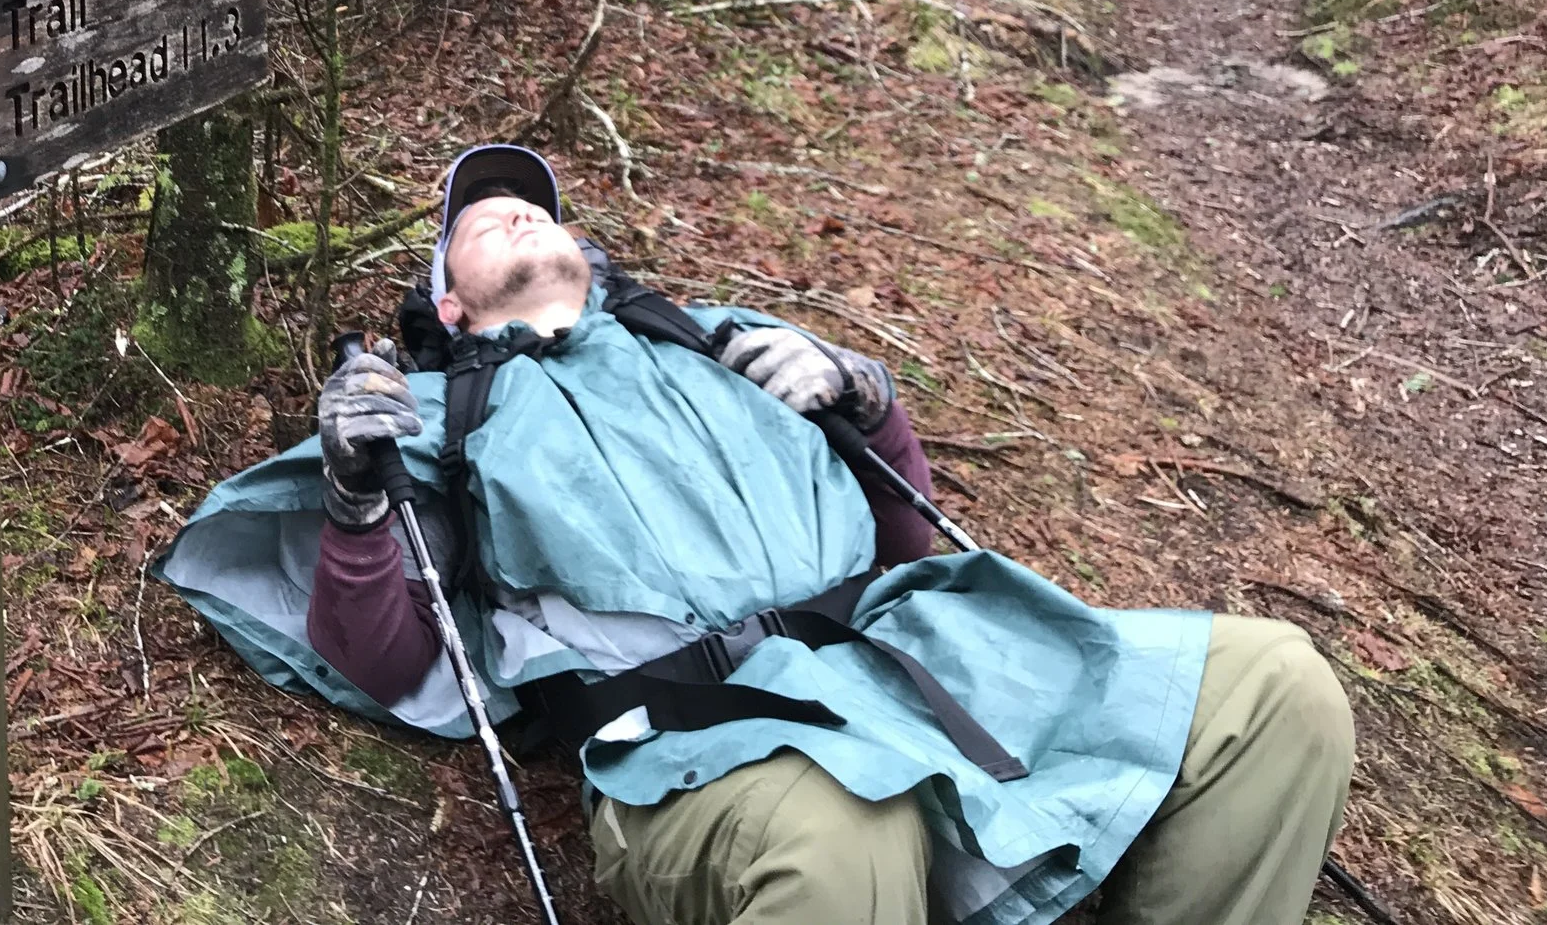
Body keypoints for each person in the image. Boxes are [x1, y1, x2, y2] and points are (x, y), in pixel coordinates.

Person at [279, 145, 1355, 925]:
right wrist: (352, 494)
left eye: (534, 207)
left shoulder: (719, 343)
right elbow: (389, 655)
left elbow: (904, 540)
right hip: (699, 741)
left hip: (911, 664)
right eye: (481, 222)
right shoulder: (427, 415)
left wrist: (863, 398)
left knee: (1271, 686)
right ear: (451, 305)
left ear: (588, 254)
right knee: (844, 828)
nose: (514, 214)